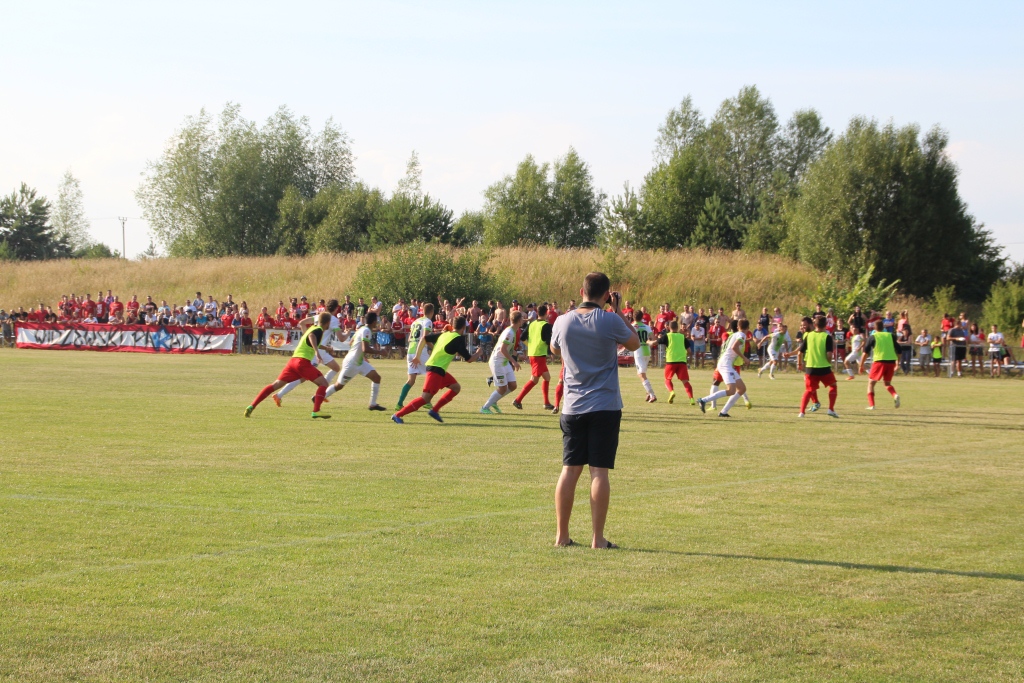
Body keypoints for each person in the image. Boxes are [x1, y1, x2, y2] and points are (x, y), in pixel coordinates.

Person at [550, 272, 639, 549]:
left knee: (569, 470)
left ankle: (562, 536)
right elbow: (635, 343)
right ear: (607, 295)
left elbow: (554, 349)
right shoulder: (610, 319)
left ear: (582, 291)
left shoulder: (562, 320)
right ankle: (597, 539)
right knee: (599, 472)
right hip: (604, 406)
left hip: (572, 406)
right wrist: (619, 310)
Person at [392, 316, 482, 423]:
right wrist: (478, 353)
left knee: (456, 387)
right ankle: (398, 415)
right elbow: (469, 359)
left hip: (439, 369)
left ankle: (434, 411)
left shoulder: (444, 334)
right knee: (425, 399)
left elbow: (424, 338)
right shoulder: (458, 339)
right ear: (463, 328)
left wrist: (417, 355)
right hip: (435, 370)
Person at [245, 312, 333, 419]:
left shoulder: (313, 328)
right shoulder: (318, 330)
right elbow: (311, 337)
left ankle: (252, 406)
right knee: (323, 383)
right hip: (302, 362)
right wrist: (317, 352)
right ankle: (316, 411)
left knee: (275, 385)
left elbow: (311, 339)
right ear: (327, 322)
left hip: (293, 362)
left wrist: (326, 348)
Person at [273, 300, 346, 406]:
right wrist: (348, 333)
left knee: (335, 368)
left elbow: (301, 323)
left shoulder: (319, 316)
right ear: (336, 309)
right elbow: (341, 338)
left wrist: (306, 336)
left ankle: (321, 393)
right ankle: (279, 395)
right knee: (302, 377)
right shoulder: (333, 320)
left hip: (322, 350)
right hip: (316, 351)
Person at [323, 311, 387, 410]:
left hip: (359, 361)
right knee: (339, 386)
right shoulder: (366, 331)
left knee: (376, 378)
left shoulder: (361, 329)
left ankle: (373, 404)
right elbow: (365, 348)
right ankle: (319, 397)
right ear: (374, 322)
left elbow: (351, 342)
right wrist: (380, 352)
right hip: (352, 363)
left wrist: (361, 354)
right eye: (377, 321)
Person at [698, 319, 751, 418]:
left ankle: (723, 412)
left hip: (726, 363)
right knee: (731, 390)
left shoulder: (734, 334)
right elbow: (734, 347)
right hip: (726, 364)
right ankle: (703, 400)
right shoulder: (742, 335)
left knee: (742, 389)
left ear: (738, 327)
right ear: (748, 328)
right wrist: (745, 358)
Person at [512, 304, 554, 411]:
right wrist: (552, 351)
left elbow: (522, 337)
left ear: (537, 313)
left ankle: (546, 403)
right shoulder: (546, 325)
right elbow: (547, 341)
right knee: (534, 380)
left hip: (533, 354)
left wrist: (530, 345)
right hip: (539, 355)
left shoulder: (531, 324)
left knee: (547, 377)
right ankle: (517, 400)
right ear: (546, 313)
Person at [481, 311, 524, 413]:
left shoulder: (512, 331)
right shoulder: (509, 333)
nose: (523, 320)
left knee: (512, 386)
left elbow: (508, 349)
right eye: (522, 319)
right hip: (497, 361)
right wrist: (514, 362)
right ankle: (484, 408)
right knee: (503, 388)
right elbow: (503, 349)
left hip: (503, 362)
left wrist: (518, 355)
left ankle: (494, 401)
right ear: (519, 321)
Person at [797, 316, 839, 418]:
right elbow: (829, 354)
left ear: (815, 324)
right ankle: (830, 409)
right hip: (824, 367)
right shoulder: (827, 337)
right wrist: (829, 362)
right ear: (826, 325)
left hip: (811, 368)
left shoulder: (809, 336)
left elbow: (799, 353)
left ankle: (801, 412)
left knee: (809, 390)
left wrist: (799, 364)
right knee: (833, 386)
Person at [396, 303, 436, 410]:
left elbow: (409, 338)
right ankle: (426, 401)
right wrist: (434, 348)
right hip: (420, 352)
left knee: (411, 380)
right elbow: (425, 338)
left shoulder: (415, 321)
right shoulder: (428, 322)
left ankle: (399, 404)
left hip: (410, 351)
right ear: (432, 312)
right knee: (432, 374)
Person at [859, 320, 902, 410]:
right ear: (883, 327)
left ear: (874, 328)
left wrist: (861, 365)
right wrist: (898, 363)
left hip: (879, 362)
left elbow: (865, 353)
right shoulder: (890, 335)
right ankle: (895, 395)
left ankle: (872, 405)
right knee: (887, 383)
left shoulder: (873, 337)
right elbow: (899, 350)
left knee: (871, 383)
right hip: (891, 362)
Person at [654, 320, 693, 404]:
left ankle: (671, 392)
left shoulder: (667, 336)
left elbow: (655, 343)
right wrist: (685, 356)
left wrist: (648, 342)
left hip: (671, 361)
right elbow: (689, 351)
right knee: (685, 381)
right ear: (677, 327)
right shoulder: (682, 337)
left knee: (667, 379)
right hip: (682, 361)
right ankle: (691, 399)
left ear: (669, 327)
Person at [633, 315, 657, 402]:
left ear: (633, 317)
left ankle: (652, 395)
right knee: (642, 373)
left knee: (641, 374)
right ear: (642, 317)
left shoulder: (632, 326)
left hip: (638, 352)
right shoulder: (647, 327)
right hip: (647, 351)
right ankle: (648, 393)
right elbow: (653, 338)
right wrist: (650, 342)